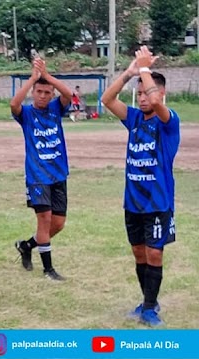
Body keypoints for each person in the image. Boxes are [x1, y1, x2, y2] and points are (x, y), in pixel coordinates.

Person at [101, 46, 179, 327]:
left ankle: (149, 309)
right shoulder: (134, 119)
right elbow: (107, 99)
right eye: (140, 93)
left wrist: (145, 69)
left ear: (160, 93)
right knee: (138, 252)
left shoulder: (168, 122)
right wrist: (130, 72)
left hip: (158, 202)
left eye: (146, 92)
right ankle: (148, 299)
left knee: (154, 252)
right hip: (132, 201)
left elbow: (158, 102)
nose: (143, 97)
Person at [11, 58, 73, 281]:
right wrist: (33, 79)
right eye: (39, 91)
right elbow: (13, 105)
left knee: (58, 224)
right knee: (45, 220)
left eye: (47, 92)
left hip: (58, 174)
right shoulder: (27, 114)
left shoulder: (56, 109)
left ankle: (27, 245)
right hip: (37, 177)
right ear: (33, 92)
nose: (43, 96)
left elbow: (69, 96)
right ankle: (48, 270)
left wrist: (48, 77)